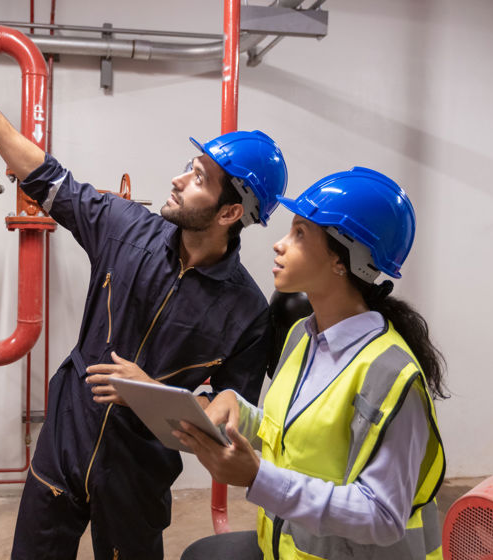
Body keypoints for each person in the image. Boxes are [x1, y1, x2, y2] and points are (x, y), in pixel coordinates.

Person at [0, 56, 288, 559]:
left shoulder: (247, 313)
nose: (179, 179)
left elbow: (228, 417)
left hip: (137, 473)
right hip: (65, 442)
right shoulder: (126, 229)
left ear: (230, 212)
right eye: (190, 167)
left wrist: (155, 395)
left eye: (199, 178)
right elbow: (48, 180)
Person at [175, 167, 447, 560]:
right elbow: (293, 437)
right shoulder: (303, 335)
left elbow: (384, 516)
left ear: (343, 259)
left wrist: (257, 477)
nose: (279, 245)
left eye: (300, 234)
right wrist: (236, 408)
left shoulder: (391, 374)